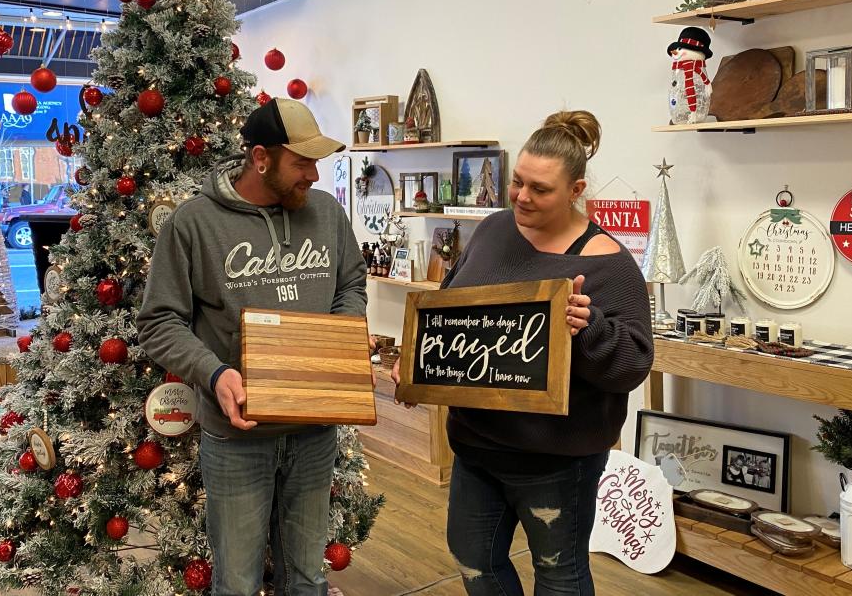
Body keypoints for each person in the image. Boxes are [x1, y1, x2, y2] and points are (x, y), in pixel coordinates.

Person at [393, 110, 654, 595]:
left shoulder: (609, 265)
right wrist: (414, 361)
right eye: (517, 183)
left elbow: (634, 363)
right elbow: (448, 306)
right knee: (474, 560)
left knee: (559, 573)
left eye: (540, 189)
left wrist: (589, 327)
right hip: (475, 445)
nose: (522, 197)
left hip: (556, 461)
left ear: (576, 191)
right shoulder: (493, 231)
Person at [137, 98, 367, 596]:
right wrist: (215, 374)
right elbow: (159, 321)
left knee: (308, 577)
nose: (314, 174)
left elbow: (351, 284)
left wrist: (337, 342)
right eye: (301, 162)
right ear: (261, 159)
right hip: (237, 438)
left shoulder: (326, 213)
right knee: (237, 583)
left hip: (313, 432)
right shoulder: (192, 224)